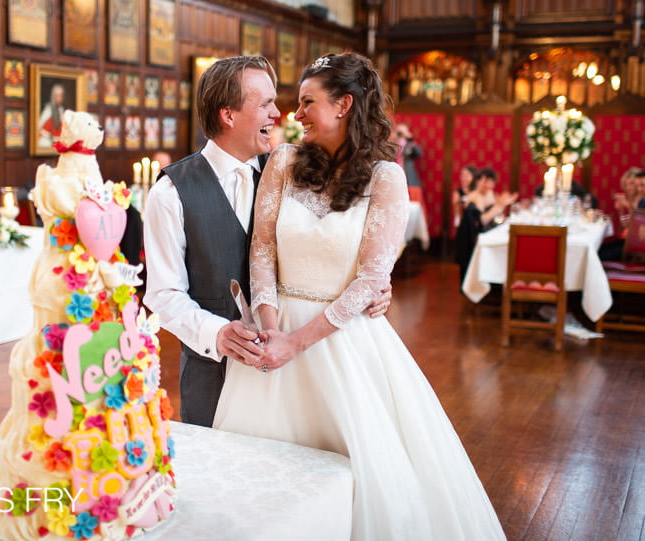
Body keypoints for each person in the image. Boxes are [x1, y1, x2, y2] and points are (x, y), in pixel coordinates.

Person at [213, 53, 505, 540]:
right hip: (274, 327)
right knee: (258, 473)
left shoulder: (386, 177)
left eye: (308, 102)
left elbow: (372, 280)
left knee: (355, 471)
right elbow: (262, 246)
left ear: (345, 104)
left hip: (341, 336)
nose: (295, 114)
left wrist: (298, 342)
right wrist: (270, 328)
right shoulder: (282, 161)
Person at [143, 56, 392, 428]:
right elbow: (162, 296)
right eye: (265, 104)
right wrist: (218, 333)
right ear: (228, 115)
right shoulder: (170, 193)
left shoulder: (294, 174)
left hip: (299, 374)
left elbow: (336, 244)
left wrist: (377, 287)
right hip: (214, 377)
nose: (280, 114)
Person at [454, 167, 517, 283]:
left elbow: (496, 216)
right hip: (471, 237)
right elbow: (482, 220)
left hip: (485, 232)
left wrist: (501, 205)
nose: (486, 185)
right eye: (483, 181)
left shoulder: (491, 194)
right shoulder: (474, 197)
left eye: (490, 182)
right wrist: (499, 205)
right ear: (477, 181)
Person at [394, 122, 423, 187]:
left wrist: (410, 140)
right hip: (395, 177)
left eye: (402, 132)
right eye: (398, 132)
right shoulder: (392, 145)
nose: (400, 134)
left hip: (408, 178)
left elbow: (419, 153)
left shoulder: (410, 144)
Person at [452, 164, 479, 230]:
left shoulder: (478, 192)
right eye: (462, 175)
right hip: (464, 225)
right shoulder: (458, 193)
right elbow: (457, 215)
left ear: (474, 177)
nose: (463, 178)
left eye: (466, 175)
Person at [38, 83, 65, 148]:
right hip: (46, 140)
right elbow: (40, 126)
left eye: (61, 95)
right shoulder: (48, 109)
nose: (59, 98)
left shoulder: (61, 109)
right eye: (57, 95)